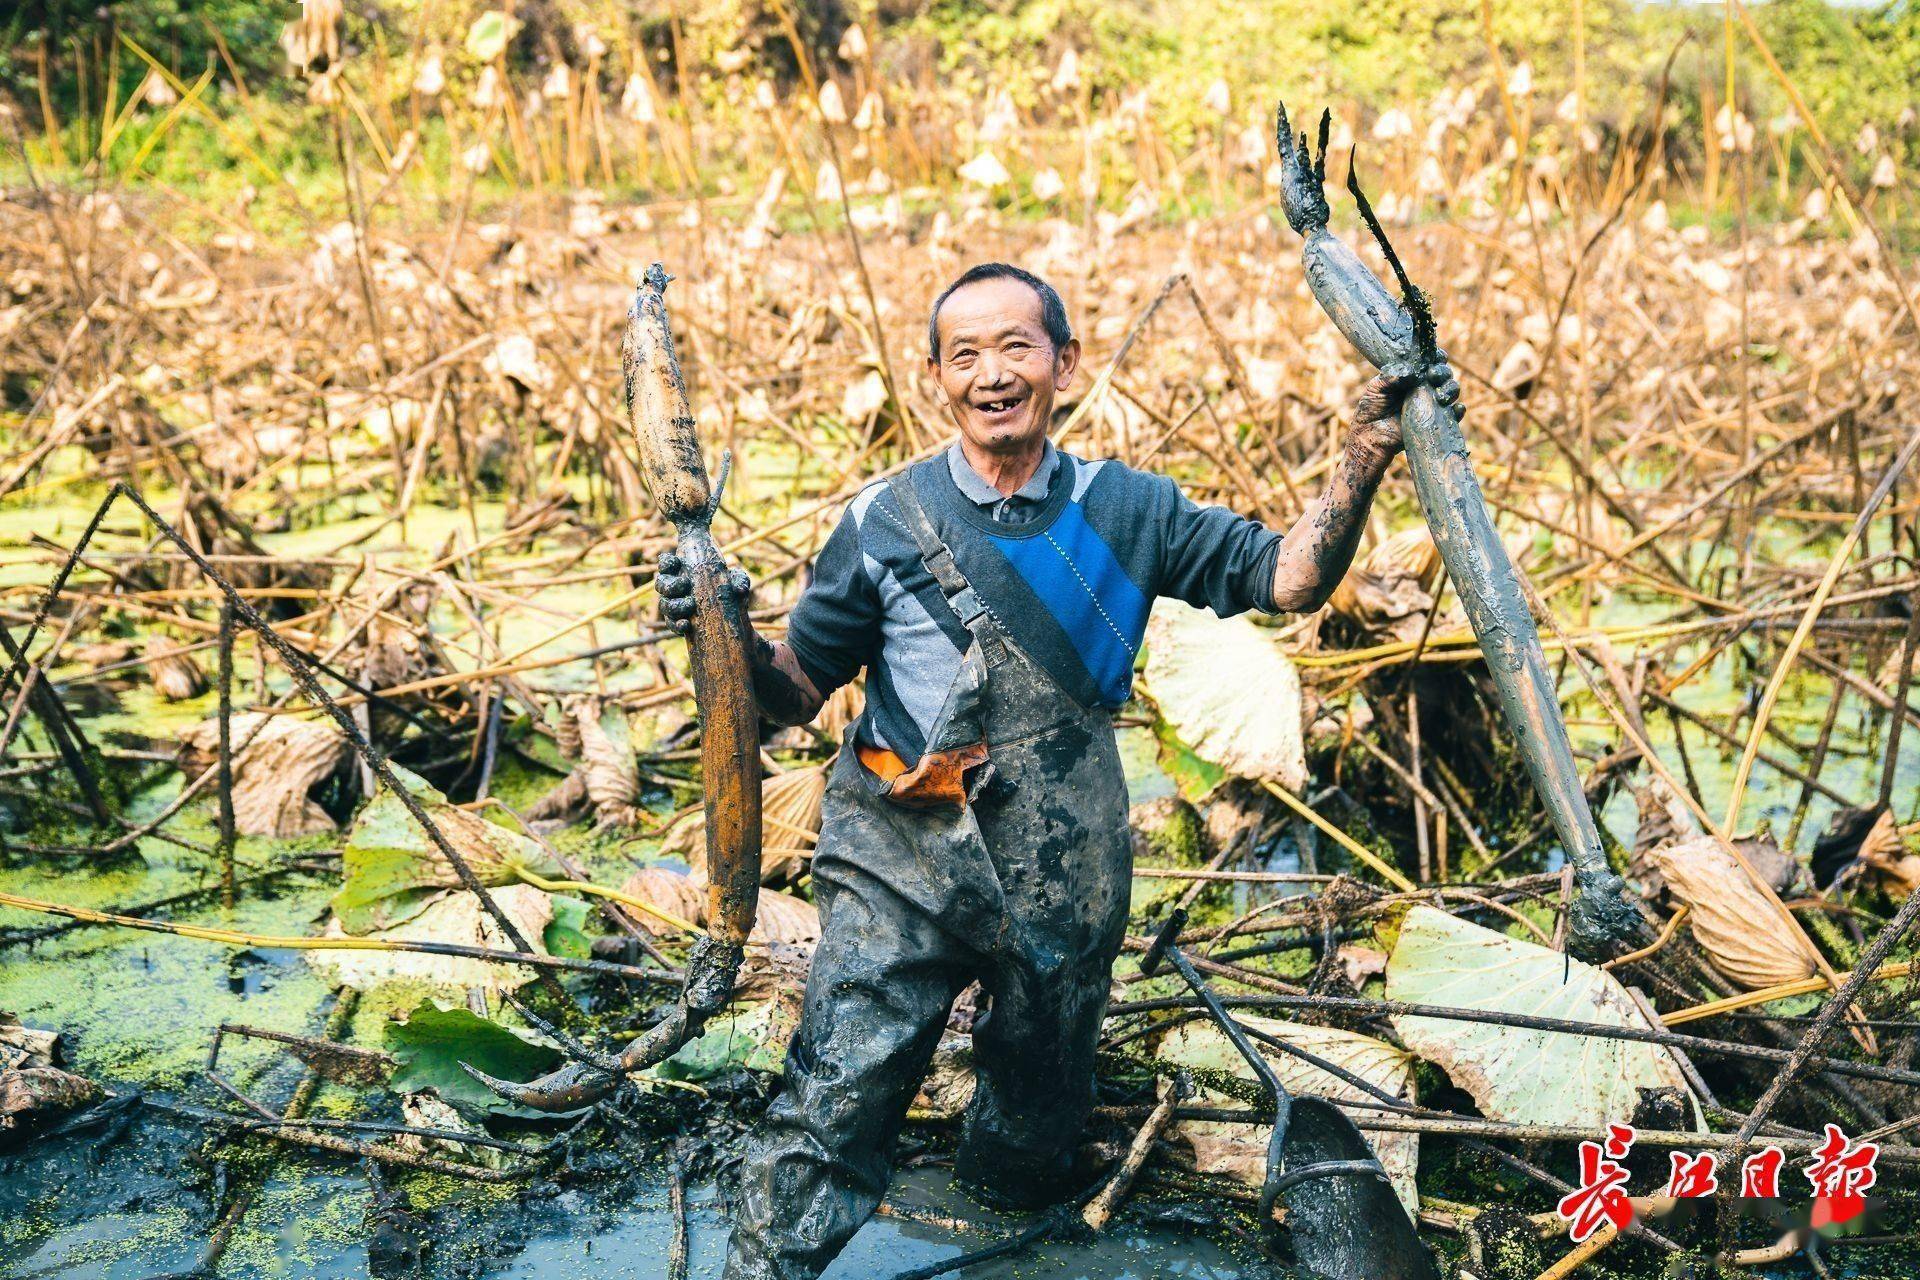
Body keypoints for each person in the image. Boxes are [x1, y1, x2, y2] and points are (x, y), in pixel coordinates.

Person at [656, 262, 1457, 1280]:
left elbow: (1291, 575)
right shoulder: (882, 520)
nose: (993, 372)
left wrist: (1367, 448)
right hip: (898, 859)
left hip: (1064, 869)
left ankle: (996, 1212)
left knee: (1037, 1127)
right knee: (834, 1097)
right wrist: (720, 620)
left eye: (1017, 347)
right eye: (966, 354)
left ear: (1064, 366)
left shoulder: (1132, 510)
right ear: (936, 377)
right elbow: (797, 683)